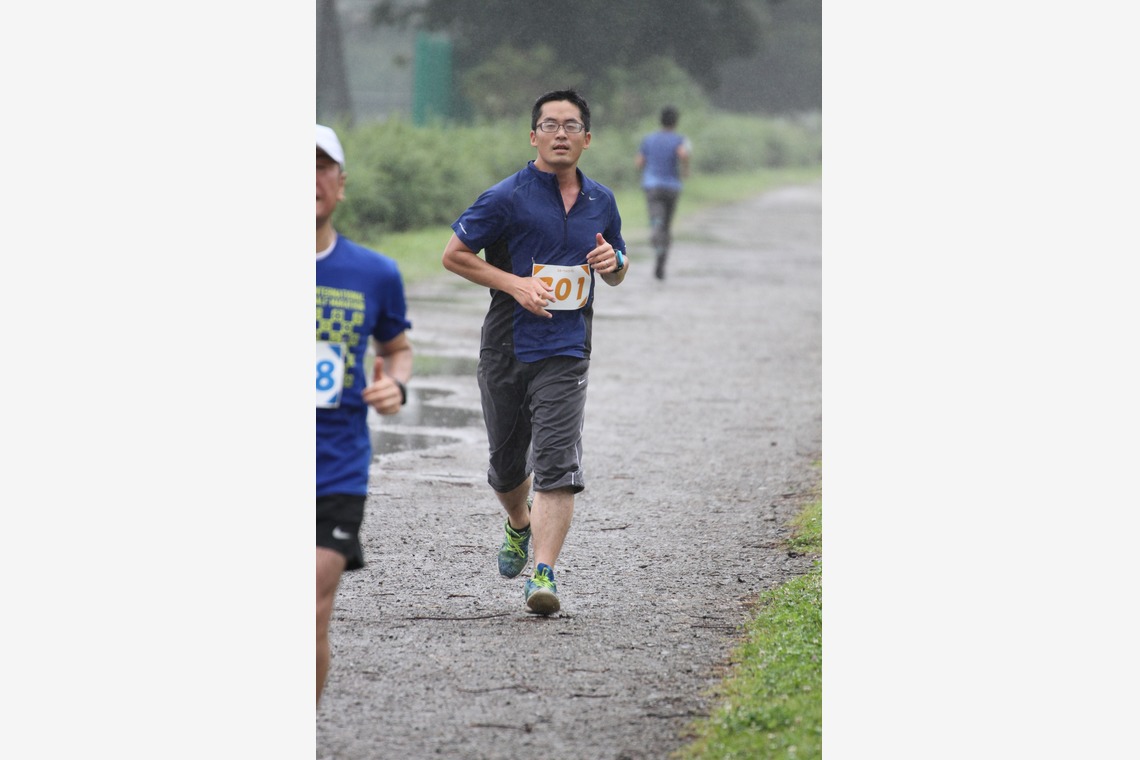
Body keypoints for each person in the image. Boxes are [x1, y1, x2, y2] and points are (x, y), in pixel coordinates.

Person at [441, 89, 628, 615]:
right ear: (533, 136)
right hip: (506, 345)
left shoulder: (602, 201)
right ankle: (519, 522)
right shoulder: (505, 196)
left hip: (566, 349)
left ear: (587, 139)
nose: (560, 134)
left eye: (571, 126)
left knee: (557, 463)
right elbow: (454, 255)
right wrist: (516, 284)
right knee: (505, 464)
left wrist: (614, 262)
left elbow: (616, 269)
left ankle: (543, 574)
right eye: (549, 125)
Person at [316, 123, 413, 706]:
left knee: (311, 607)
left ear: (341, 184)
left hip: (334, 469)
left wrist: (394, 388)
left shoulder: (374, 273)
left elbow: (396, 349)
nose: (307, 179)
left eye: (320, 166)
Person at [635, 106, 691, 280]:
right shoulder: (680, 139)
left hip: (652, 184)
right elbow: (683, 154)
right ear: (676, 121)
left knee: (656, 216)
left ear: (660, 120)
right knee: (667, 226)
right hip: (672, 186)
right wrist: (684, 170)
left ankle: (655, 228)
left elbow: (639, 162)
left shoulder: (649, 139)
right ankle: (661, 261)